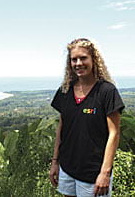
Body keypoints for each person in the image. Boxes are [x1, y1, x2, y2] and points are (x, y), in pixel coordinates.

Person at [49, 38, 125, 197]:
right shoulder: (65, 90)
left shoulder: (106, 91)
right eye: (73, 59)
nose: (78, 63)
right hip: (67, 167)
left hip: (93, 172)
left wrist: (105, 172)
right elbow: (61, 129)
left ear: (94, 60)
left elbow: (114, 134)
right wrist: (55, 162)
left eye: (83, 58)